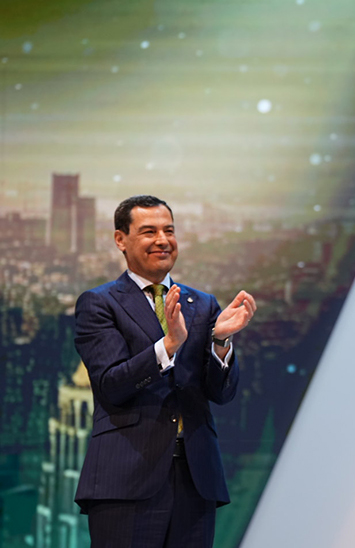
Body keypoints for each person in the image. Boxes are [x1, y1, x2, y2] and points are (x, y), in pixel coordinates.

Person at [73, 195, 256, 547]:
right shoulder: (100, 303)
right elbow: (111, 385)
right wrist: (168, 346)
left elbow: (221, 393)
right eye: (149, 231)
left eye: (168, 230)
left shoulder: (202, 304)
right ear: (120, 240)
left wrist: (221, 342)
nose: (163, 240)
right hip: (126, 479)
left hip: (196, 478)